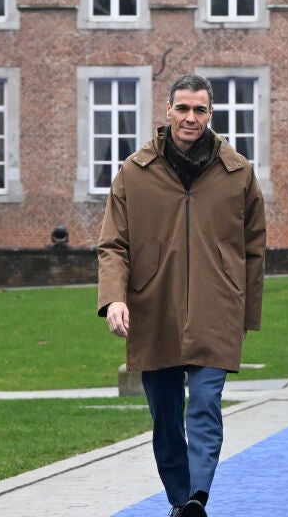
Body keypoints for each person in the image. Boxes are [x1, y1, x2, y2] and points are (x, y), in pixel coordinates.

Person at [97, 74, 266, 517]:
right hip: (153, 307)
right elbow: (113, 245)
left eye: (200, 110)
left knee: (206, 403)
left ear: (211, 114)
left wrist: (246, 314)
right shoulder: (134, 172)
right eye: (183, 108)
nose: (191, 117)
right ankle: (180, 498)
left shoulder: (238, 173)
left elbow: (254, 249)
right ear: (168, 110)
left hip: (218, 308)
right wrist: (115, 299)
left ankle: (198, 496)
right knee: (166, 415)